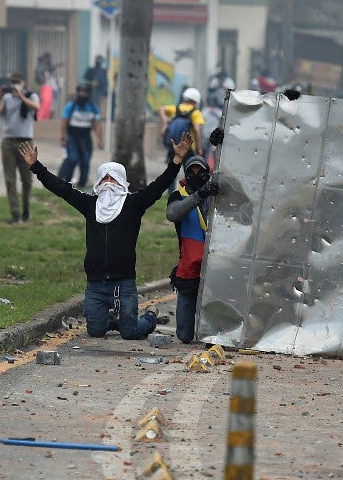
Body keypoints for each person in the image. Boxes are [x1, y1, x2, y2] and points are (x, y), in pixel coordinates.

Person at [19, 132, 194, 339]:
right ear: (98, 183)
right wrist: (36, 167)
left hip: (124, 282)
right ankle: (113, 321)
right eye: (105, 178)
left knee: (130, 333)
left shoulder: (133, 204)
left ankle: (149, 318)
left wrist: (176, 161)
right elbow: (62, 189)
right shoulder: (90, 205)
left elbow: (158, 186)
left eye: (114, 179)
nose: (109, 183)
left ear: (122, 182)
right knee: (95, 330)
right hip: (96, 283)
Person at [166, 154, 219, 344]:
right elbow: (172, 214)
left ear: (208, 173)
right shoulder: (178, 195)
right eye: (192, 171)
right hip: (190, 266)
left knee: (213, 335)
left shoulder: (217, 192)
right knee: (184, 336)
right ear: (186, 174)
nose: (196, 175)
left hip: (217, 265)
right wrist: (199, 195)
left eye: (201, 171)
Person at [0, 72, 40, 223]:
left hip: (26, 142)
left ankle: (26, 209)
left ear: (24, 82)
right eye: (13, 82)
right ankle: (15, 213)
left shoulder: (31, 96)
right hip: (9, 142)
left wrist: (22, 97)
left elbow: (37, 108)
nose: (15, 84)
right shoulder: (6, 98)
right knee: (10, 179)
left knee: (27, 180)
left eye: (18, 82)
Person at [57, 81, 103, 187]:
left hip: (86, 138)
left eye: (85, 92)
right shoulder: (71, 106)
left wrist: (100, 139)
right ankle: (66, 183)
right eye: (81, 92)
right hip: (72, 137)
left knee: (85, 161)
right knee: (72, 159)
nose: (83, 94)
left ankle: (82, 183)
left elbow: (97, 124)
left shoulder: (93, 107)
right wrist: (63, 138)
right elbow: (64, 122)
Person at [159, 87, 204, 163]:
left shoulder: (176, 109)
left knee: (171, 171)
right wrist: (199, 148)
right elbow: (197, 131)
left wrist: (165, 123)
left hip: (174, 146)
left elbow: (162, 109)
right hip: (188, 147)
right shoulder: (196, 113)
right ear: (196, 101)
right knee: (190, 171)